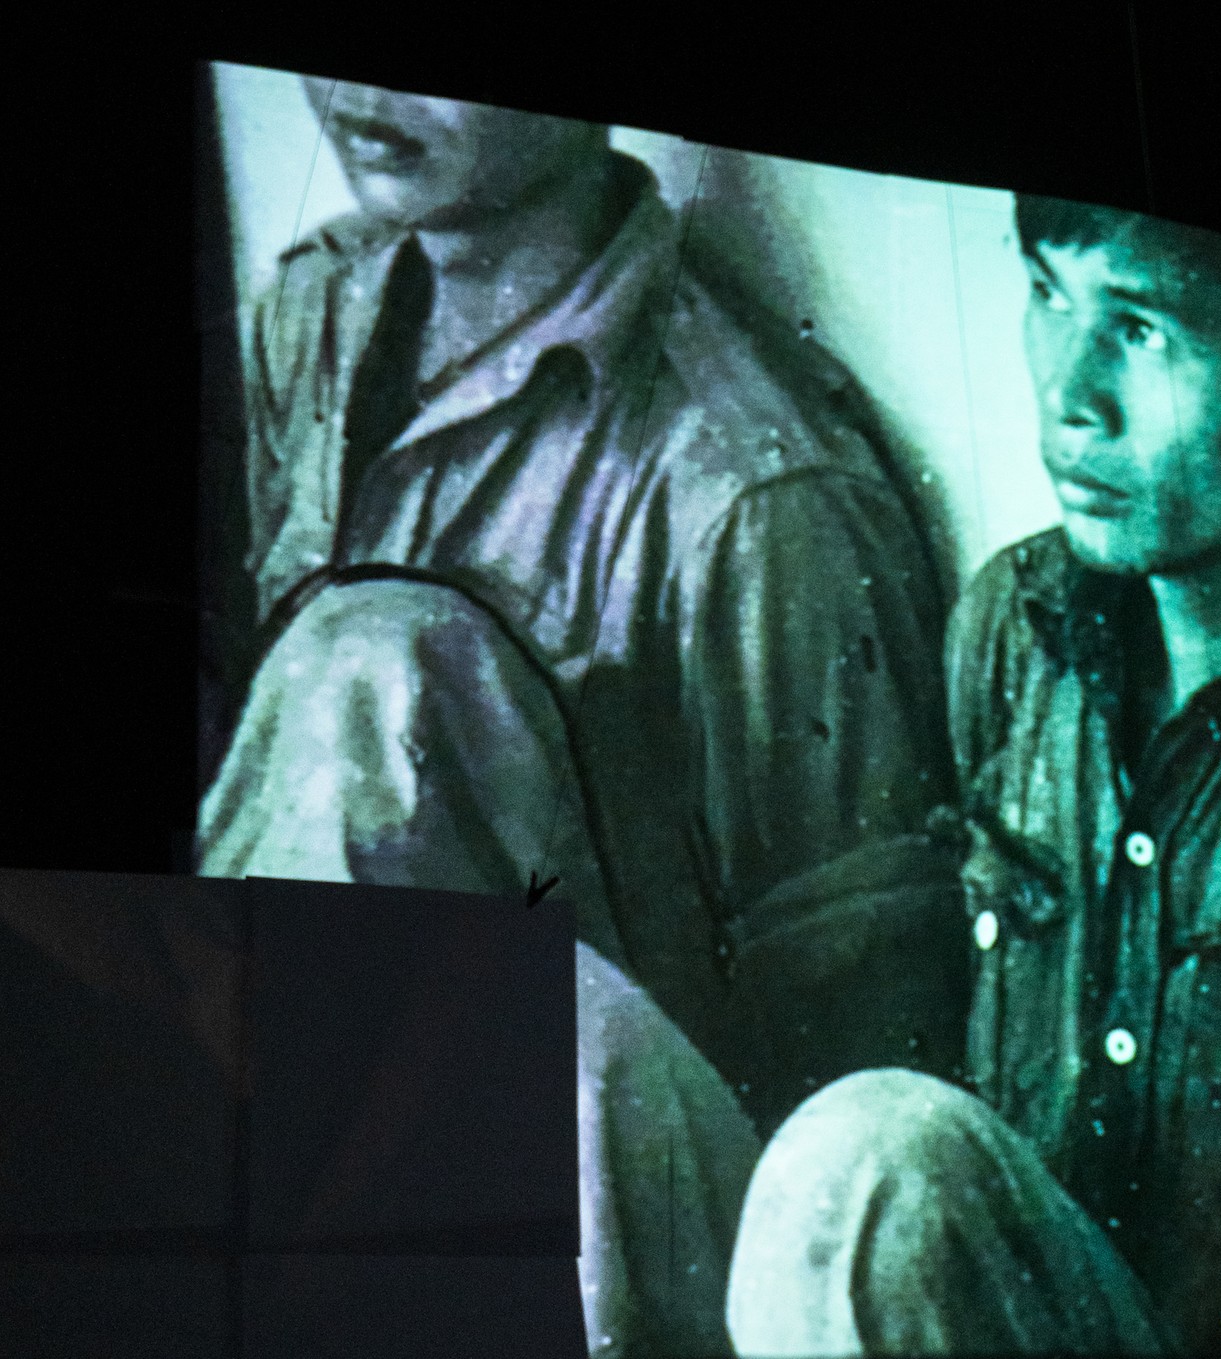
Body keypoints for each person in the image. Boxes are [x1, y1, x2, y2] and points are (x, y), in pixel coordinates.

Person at [198, 83, 968, 1147]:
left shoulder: (752, 499)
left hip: (583, 1192)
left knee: (371, 658)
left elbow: (860, 1083)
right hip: (322, 1126)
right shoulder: (312, 319)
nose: (360, 89)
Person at [726, 195, 1221, 1359]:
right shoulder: (1015, 624)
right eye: (1047, 293)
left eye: (1140, 328)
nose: (1067, 395)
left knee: (875, 1160)